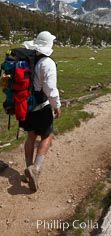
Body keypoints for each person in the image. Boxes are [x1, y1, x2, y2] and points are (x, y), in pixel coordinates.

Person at [20, 31, 61, 191]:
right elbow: (50, 89)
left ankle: (28, 168)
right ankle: (35, 170)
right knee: (47, 135)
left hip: (25, 105)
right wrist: (57, 106)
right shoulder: (47, 63)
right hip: (41, 107)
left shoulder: (28, 59)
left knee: (31, 135)